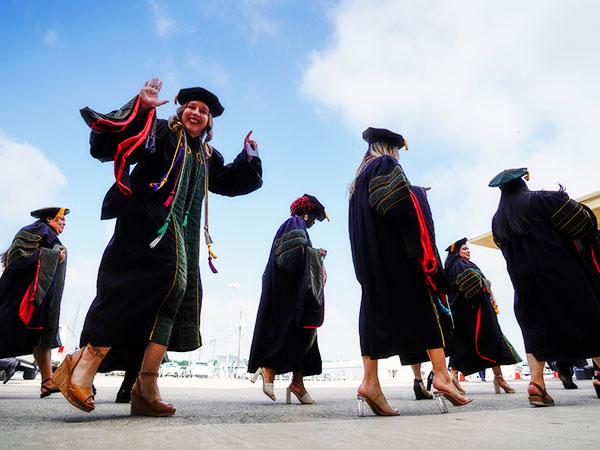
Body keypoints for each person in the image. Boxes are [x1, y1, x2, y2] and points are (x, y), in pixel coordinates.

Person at [51, 78, 263, 416]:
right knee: (133, 291)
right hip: (145, 226)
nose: (197, 113)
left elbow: (233, 181)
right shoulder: (162, 132)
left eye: (204, 111)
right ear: (181, 111)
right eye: (192, 107)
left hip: (182, 238)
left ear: (209, 121)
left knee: (173, 300)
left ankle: (145, 387)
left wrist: (249, 155)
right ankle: (84, 364)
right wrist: (140, 108)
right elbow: (117, 146)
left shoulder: (206, 154)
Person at [349, 127, 471, 416]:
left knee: (373, 314)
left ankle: (370, 383)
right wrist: (413, 197)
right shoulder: (384, 164)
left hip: (371, 262)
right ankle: (442, 377)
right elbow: (393, 204)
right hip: (399, 256)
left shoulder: (357, 181)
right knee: (425, 309)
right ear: (391, 149)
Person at [490, 168, 600, 406]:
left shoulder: (498, 221)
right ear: (522, 182)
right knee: (590, 323)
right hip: (563, 277)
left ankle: (537, 385)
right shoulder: (543, 200)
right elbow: (584, 225)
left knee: (534, 331)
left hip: (525, 285)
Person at [248, 194, 328, 404]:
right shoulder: (294, 223)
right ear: (307, 213)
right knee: (290, 331)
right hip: (287, 294)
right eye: (313, 218)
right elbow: (291, 257)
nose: (312, 223)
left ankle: (297, 383)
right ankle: (269, 368)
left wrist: (314, 255)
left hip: (291, 291)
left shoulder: (296, 225)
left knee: (307, 334)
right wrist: (315, 254)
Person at [0, 207, 68, 398]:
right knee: (7, 330)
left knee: (41, 335)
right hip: (20, 295)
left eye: (64, 221)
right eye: (60, 219)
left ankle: (47, 381)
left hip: (40, 295)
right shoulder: (34, 230)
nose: (63, 223)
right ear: (48, 219)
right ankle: (48, 380)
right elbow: (18, 256)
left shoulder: (48, 234)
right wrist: (53, 255)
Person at [444, 238, 521, 394]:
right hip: (476, 312)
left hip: (469, 312)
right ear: (457, 252)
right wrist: (485, 283)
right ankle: (497, 378)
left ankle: (495, 378)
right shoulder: (460, 265)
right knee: (490, 339)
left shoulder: (456, 266)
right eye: (464, 249)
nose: (468, 251)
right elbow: (471, 285)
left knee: (469, 342)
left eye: (468, 249)